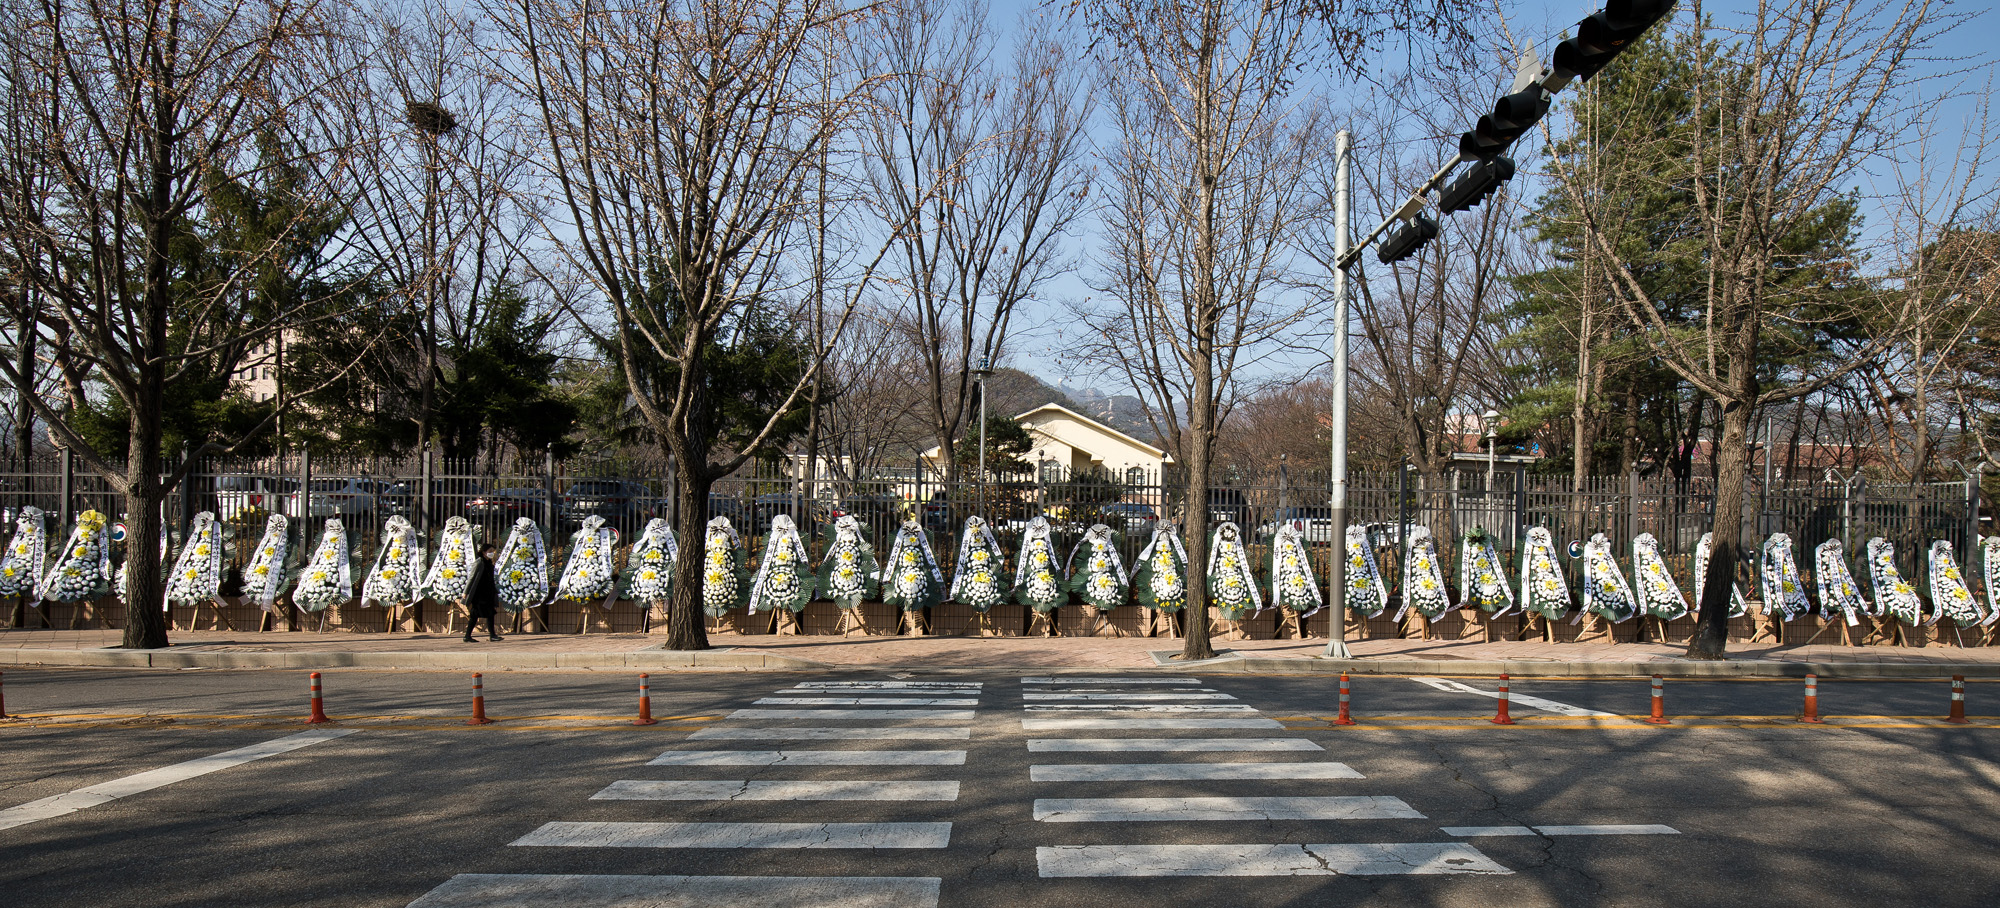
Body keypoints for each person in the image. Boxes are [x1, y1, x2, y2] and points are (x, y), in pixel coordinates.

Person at [463, 543, 503, 642]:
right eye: (490, 552)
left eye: (493, 552)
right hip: (479, 593)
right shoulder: (479, 562)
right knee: (475, 615)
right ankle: (467, 636)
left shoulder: (489, 562)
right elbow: (471, 578)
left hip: (488, 592)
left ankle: (492, 635)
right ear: (484, 552)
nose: (492, 554)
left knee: (490, 614)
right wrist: (466, 592)